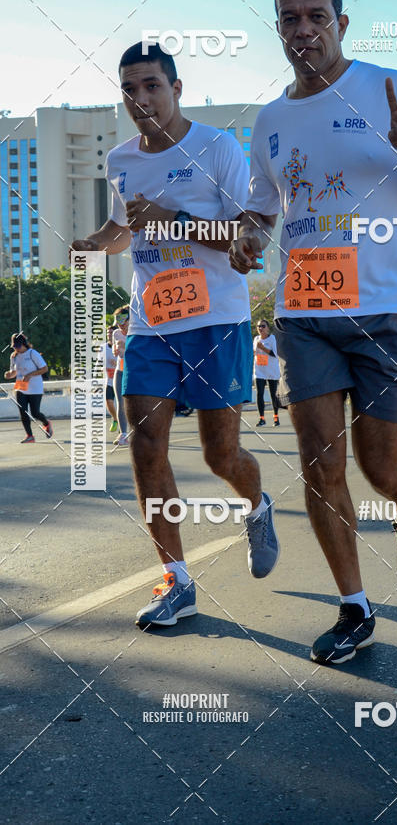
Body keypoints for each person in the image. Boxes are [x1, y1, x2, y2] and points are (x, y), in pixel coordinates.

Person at [229, 0, 397, 664]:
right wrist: (247, 239)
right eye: (290, 19)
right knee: (319, 462)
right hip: (304, 311)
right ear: (278, 27)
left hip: (387, 309)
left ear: (341, 22)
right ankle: (355, 607)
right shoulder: (270, 120)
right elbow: (261, 209)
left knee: (379, 465)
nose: (304, 30)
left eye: (317, 17)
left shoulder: (388, 89)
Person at [70, 41, 278, 628]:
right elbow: (122, 228)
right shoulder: (120, 160)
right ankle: (177, 581)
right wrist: (95, 244)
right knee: (145, 448)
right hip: (149, 324)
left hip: (216, 320)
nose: (141, 99)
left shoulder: (216, 147)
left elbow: (245, 232)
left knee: (220, 454)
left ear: (176, 88)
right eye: (129, 90)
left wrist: (173, 220)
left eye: (152, 86)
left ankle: (257, 505)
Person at [4, 333, 53, 443]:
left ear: (24, 344)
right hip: (20, 387)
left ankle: (46, 423)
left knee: (35, 413)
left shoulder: (32, 353)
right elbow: (14, 372)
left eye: (18, 346)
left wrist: (30, 375)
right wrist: (9, 375)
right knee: (23, 412)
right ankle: (30, 436)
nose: (16, 348)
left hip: (35, 387)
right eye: (14, 346)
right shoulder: (13, 356)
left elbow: (44, 368)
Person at [253, 319, 281, 426]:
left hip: (271, 370)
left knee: (273, 395)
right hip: (259, 370)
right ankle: (262, 419)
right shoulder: (256, 339)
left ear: (268, 328)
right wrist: (254, 351)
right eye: (259, 326)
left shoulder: (272, 339)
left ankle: (276, 417)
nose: (260, 328)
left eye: (263, 326)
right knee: (259, 394)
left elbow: (275, 354)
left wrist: (263, 348)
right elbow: (254, 352)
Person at [111, 306, 130, 447]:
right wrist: (116, 349)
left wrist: (126, 345)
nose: (121, 325)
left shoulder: (137, 332)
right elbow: (115, 349)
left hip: (134, 371)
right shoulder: (116, 333)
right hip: (120, 370)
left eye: (123, 322)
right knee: (120, 402)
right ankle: (123, 434)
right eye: (118, 323)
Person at [104, 325, 118, 433]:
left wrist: (117, 363)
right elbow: (100, 362)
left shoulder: (120, 345)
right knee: (108, 402)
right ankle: (115, 419)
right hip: (109, 380)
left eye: (111, 333)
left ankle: (123, 424)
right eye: (107, 333)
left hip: (120, 379)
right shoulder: (103, 348)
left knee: (122, 404)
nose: (109, 334)